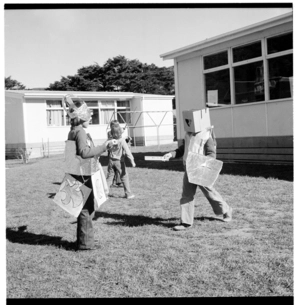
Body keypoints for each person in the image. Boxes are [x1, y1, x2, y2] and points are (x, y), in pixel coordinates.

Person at [64, 95, 116, 250]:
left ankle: (86, 239)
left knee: (85, 208)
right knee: (86, 209)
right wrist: (104, 147)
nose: (91, 116)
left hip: (77, 172)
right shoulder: (80, 132)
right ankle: (86, 244)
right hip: (83, 174)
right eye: (88, 114)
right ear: (80, 117)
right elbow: (84, 152)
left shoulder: (73, 130)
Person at [163, 128, 232, 231]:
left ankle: (226, 210)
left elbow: (211, 153)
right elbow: (183, 149)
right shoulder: (188, 134)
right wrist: (171, 154)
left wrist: (204, 164)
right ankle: (186, 223)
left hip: (201, 169)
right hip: (189, 169)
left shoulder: (206, 134)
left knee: (210, 193)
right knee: (187, 195)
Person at [106, 124, 136, 199]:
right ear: (120, 132)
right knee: (124, 177)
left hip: (111, 161)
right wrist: (132, 161)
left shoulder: (110, 141)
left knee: (110, 177)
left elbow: (105, 147)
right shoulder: (122, 141)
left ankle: (104, 193)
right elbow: (128, 151)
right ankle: (128, 194)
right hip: (119, 162)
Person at [107, 120, 132, 187]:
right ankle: (117, 182)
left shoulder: (110, 133)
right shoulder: (112, 134)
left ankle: (116, 182)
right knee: (119, 171)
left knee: (111, 173)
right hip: (117, 157)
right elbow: (119, 137)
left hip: (112, 157)